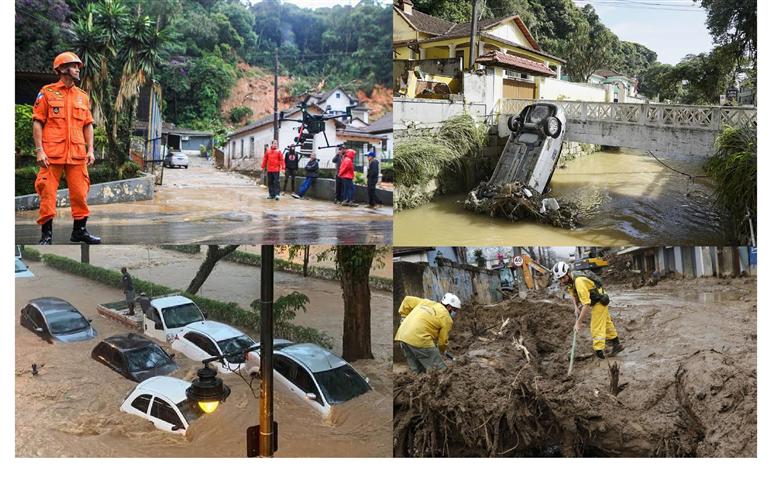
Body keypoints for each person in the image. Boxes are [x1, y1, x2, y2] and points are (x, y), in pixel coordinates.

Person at [32, 52, 101, 245]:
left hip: (77, 155)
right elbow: (37, 122)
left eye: (78, 66)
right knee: (47, 193)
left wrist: (91, 150)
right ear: (62, 69)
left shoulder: (82, 97)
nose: (78, 69)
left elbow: (87, 124)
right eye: (74, 66)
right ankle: (47, 235)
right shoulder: (47, 93)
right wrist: (39, 150)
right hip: (51, 155)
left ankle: (79, 231)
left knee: (80, 194)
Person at [552, 261, 624, 360]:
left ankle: (599, 352)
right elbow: (573, 294)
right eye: (560, 279)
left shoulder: (579, 281)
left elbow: (586, 304)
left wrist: (578, 322)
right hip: (596, 299)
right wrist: (576, 307)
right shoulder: (570, 281)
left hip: (599, 300)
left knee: (596, 326)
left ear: (568, 272)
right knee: (607, 323)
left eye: (563, 278)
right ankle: (617, 345)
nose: (562, 281)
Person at [394, 293, 461, 373]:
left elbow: (407, 300)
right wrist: (441, 350)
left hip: (402, 335)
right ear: (449, 307)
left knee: (417, 372)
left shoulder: (427, 302)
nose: (455, 313)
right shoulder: (447, 318)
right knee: (441, 372)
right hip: (420, 339)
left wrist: (404, 317)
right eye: (455, 310)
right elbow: (442, 342)